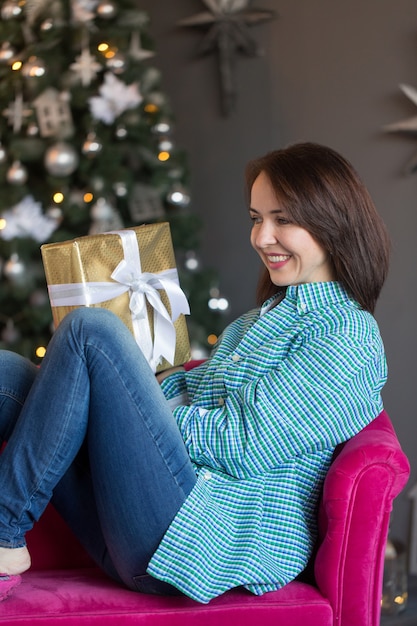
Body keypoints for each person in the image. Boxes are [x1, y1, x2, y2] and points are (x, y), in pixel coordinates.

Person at [0, 142, 390, 604]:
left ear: (333, 222)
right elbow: (186, 388)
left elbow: (246, 445)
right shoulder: (255, 321)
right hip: (132, 523)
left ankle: (4, 531)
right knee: (9, 374)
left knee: (90, 329)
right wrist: (96, 392)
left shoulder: (347, 333)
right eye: (256, 218)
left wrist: (133, 412)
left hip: (195, 543)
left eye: (283, 219)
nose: (262, 237)